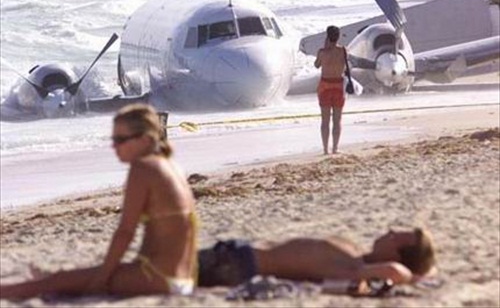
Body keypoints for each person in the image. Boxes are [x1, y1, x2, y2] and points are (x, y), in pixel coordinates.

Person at [0, 104, 198, 300]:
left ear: (145, 140)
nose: (114, 146)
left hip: (157, 277)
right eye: (113, 139)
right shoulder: (171, 166)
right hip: (183, 278)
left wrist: (100, 280)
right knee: (64, 279)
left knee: (54, 282)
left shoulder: (142, 168)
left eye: (121, 140)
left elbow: (125, 233)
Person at [198, 227, 436, 292]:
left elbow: (397, 273)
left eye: (397, 236)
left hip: (235, 264)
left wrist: (414, 274)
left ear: (396, 256)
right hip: (235, 253)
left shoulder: (355, 267)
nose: (390, 230)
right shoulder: (356, 257)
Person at [314, 25, 347, 155]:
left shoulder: (322, 52)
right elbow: (346, 64)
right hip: (338, 86)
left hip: (325, 86)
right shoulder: (343, 51)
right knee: (337, 120)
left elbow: (317, 65)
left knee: (325, 120)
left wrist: (325, 46)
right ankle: (335, 148)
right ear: (338, 37)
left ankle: (325, 149)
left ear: (327, 37)